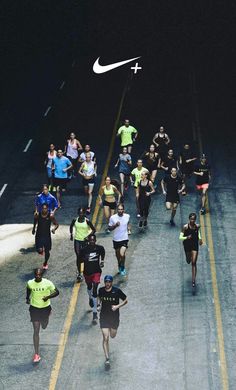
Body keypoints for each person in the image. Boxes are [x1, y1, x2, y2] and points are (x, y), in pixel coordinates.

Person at [26, 268, 59, 363]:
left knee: (44, 326)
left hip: (45, 308)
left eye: (39, 275)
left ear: (42, 275)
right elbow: (28, 289)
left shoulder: (48, 283)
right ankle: (36, 354)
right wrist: (27, 298)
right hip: (34, 308)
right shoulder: (30, 283)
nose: (37, 276)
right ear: (34, 275)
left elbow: (57, 292)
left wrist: (47, 297)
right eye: (36, 274)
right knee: (36, 330)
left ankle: (47, 317)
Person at [98, 275, 128, 369]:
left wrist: (117, 306)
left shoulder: (117, 291)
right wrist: (99, 305)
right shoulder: (101, 290)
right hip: (104, 317)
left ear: (112, 282)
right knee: (105, 337)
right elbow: (99, 297)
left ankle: (109, 341)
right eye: (106, 282)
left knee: (112, 335)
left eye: (109, 282)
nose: (107, 283)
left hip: (114, 318)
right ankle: (107, 359)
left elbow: (126, 300)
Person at [79, 235, 105, 323]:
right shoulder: (84, 250)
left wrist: (102, 261)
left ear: (96, 240)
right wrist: (83, 260)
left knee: (95, 289)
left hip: (96, 272)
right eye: (90, 240)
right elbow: (79, 260)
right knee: (89, 287)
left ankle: (95, 314)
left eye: (93, 240)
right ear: (88, 241)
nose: (92, 242)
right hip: (87, 273)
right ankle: (90, 297)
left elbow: (103, 252)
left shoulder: (99, 248)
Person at [70, 207, 96, 282]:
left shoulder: (87, 221)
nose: (81, 214)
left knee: (85, 257)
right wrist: (71, 234)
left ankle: (86, 270)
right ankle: (79, 273)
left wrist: (88, 237)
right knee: (78, 255)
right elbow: (71, 226)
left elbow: (94, 230)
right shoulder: (75, 220)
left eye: (82, 213)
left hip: (85, 241)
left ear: (84, 213)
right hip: (77, 240)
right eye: (79, 213)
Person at [179, 212, 203, 293]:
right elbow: (180, 237)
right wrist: (186, 237)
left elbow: (198, 233)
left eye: (194, 219)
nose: (192, 220)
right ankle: (188, 257)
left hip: (194, 245)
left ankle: (193, 280)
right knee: (188, 261)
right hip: (187, 245)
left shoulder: (197, 226)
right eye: (191, 219)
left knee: (194, 262)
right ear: (189, 219)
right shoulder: (185, 227)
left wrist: (200, 238)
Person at [32, 203, 59, 270]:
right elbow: (35, 221)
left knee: (47, 251)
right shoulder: (38, 215)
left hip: (47, 236)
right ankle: (41, 250)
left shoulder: (50, 216)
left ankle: (45, 262)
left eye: (45, 208)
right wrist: (33, 228)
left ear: (47, 208)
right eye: (43, 208)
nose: (44, 210)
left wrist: (54, 229)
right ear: (41, 209)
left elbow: (56, 224)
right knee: (39, 250)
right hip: (39, 235)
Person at [108, 203, 131, 276]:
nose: (120, 211)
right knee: (118, 257)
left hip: (124, 238)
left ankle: (123, 267)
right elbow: (109, 228)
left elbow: (128, 223)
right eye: (119, 209)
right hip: (116, 240)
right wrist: (115, 225)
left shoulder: (127, 216)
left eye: (121, 209)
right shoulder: (113, 218)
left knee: (122, 254)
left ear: (123, 210)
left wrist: (129, 229)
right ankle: (120, 265)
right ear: (117, 210)